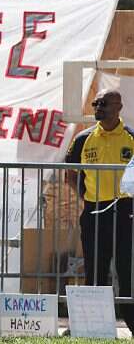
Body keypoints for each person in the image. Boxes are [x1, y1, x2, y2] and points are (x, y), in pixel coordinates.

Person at [66, 89, 134, 333]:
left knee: (127, 272)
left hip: (126, 211)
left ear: (119, 107)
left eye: (103, 103)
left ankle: (131, 322)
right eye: (96, 103)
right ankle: (89, 327)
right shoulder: (84, 138)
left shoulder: (131, 138)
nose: (98, 107)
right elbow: (70, 173)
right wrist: (85, 196)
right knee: (95, 270)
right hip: (95, 212)